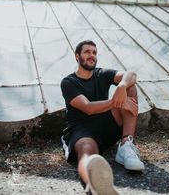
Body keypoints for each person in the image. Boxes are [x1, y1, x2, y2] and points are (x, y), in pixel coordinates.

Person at [61, 40, 145, 195]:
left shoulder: (101, 74)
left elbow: (131, 74)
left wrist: (122, 86)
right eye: (87, 52)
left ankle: (126, 145)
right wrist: (117, 102)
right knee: (87, 151)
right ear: (77, 56)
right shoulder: (68, 82)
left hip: (106, 125)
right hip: (82, 129)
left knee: (129, 86)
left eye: (94, 52)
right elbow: (87, 108)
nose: (91, 55)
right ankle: (94, 183)